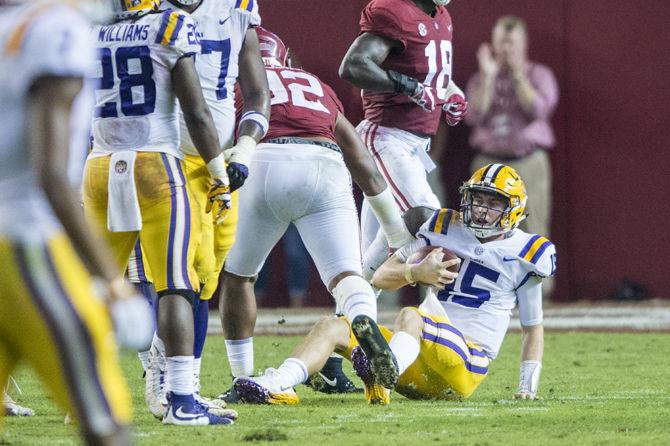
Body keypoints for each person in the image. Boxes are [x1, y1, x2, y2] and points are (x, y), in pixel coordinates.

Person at [234, 164, 554, 405]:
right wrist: (415, 274)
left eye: (493, 203)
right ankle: (278, 385)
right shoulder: (444, 225)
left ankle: (383, 372)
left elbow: (532, 326)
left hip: (466, 363)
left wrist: (527, 386)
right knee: (334, 326)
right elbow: (380, 276)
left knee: (411, 315)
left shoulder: (527, 251)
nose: (482, 210)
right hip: (416, 359)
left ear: (513, 209)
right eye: (477, 200)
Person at [219, 27, 414, 403]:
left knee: (239, 277)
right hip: (325, 164)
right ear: (286, 57)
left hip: (265, 161)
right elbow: (362, 161)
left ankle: (242, 376)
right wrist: (395, 232)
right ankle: (368, 347)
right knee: (347, 277)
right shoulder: (312, 83)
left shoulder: (235, 83)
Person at [0, 0, 154, 443]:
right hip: (23, 241)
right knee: (105, 423)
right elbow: (50, 174)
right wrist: (114, 282)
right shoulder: (56, 29)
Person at [83, 0, 235, 426]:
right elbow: (197, 112)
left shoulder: (88, 30)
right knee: (175, 283)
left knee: (93, 288)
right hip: (155, 163)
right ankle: (182, 400)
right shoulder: (169, 25)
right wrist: (219, 173)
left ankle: (85, 392)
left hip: (98, 165)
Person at [139, 0, 269, 418]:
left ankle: (181, 384)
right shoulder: (146, 10)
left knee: (206, 279)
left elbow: (258, 94)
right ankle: (171, 386)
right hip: (164, 154)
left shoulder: (237, 8)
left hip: (219, 161)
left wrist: (245, 148)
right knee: (177, 275)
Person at [338, 0, 468, 279]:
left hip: (415, 147)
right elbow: (353, 66)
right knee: (431, 220)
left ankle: (352, 305)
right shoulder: (394, 11)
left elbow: (430, 74)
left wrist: (452, 92)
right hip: (386, 136)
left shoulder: (441, 15)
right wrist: (408, 86)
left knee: (375, 244)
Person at [465, 16, 559, 264]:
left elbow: (539, 111)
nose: (507, 49)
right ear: (493, 44)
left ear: (524, 44)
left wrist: (518, 75)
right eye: (502, 43)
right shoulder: (481, 78)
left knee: (532, 225)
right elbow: (473, 115)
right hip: (488, 163)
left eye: (512, 43)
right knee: (484, 226)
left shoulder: (539, 74)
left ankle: (539, 290)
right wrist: (488, 77)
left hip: (528, 161)